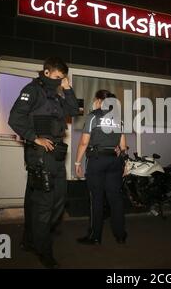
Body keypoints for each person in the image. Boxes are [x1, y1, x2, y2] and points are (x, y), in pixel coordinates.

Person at [8, 57, 79, 269]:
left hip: (55, 153)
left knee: (49, 200)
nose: (60, 81)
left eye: (63, 78)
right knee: (44, 205)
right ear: (46, 73)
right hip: (40, 153)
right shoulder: (33, 90)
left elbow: (74, 111)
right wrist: (34, 137)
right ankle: (43, 251)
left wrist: (67, 89)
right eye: (57, 78)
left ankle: (29, 241)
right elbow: (14, 118)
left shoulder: (56, 94)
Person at [75, 90, 128, 245]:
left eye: (95, 100)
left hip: (97, 161)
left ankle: (95, 236)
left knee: (96, 199)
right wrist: (124, 164)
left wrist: (77, 162)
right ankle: (120, 235)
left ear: (99, 100)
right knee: (116, 199)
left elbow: (84, 142)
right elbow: (123, 146)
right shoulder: (119, 119)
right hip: (115, 162)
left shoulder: (93, 116)